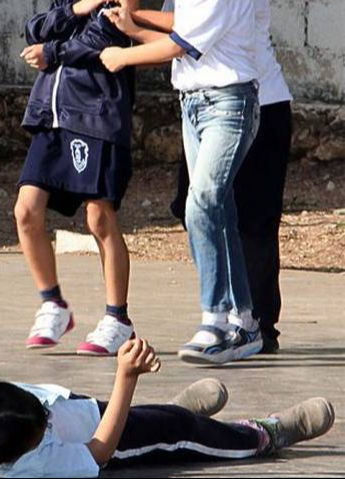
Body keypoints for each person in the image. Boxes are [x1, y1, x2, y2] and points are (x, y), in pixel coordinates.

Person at [0, 291, 334, 478]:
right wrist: (124, 377)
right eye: (41, 429)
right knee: (174, 433)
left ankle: (166, 412)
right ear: (24, 453)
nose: (42, 423)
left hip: (82, 409)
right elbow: (101, 451)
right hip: (108, 441)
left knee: (138, 412)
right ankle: (262, 435)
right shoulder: (40, 464)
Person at [100, 0, 264, 365]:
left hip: (228, 102)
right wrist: (134, 24)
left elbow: (180, 44)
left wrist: (122, 56)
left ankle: (215, 319)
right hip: (193, 103)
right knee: (219, 211)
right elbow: (180, 25)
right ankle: (245, 323)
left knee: (201, 203)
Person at [159, 0, 293, 355]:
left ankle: (254, 323)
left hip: (254, 101)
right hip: (202, 101)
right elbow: (178, 22)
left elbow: (183, 36)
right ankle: (242, 316)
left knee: (248, 218)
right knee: (207, 210)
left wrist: (127, 31)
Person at [15, 0, 139, 357]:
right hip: (49, 117)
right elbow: (35, 28)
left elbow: (104, 40)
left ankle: (118, 319)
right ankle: (53, 304)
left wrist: (51, 51)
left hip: (95, 115)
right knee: (26, 210)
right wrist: (77, 8)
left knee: (99, 217)